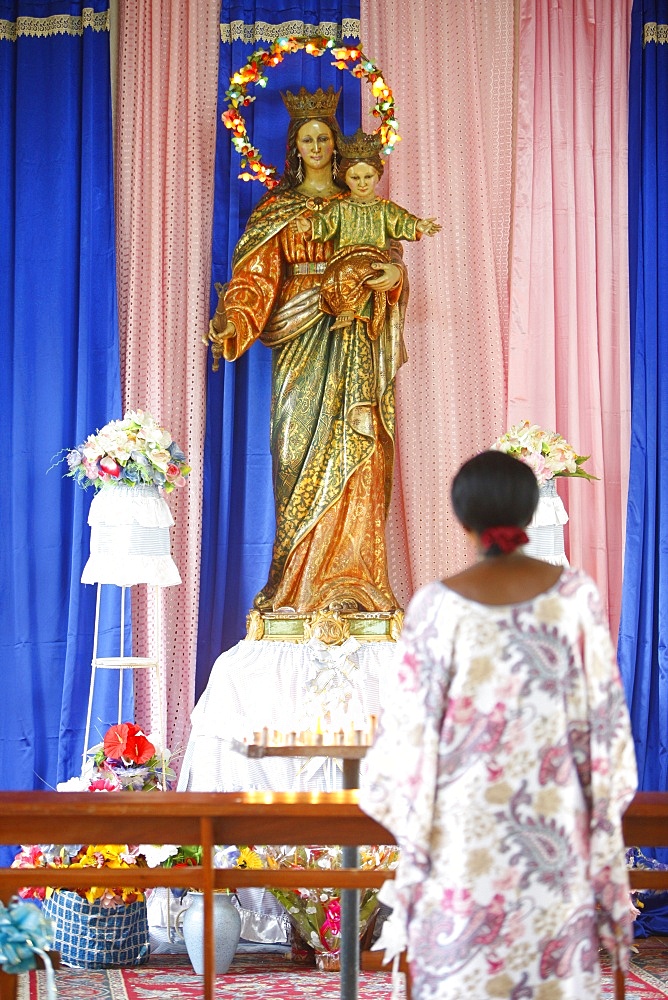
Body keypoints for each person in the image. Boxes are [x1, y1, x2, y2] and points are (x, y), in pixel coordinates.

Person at [359, 450, 637, 1000]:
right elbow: (603, 725)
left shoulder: (436, 607)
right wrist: (597, 818)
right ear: (531, 510)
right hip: (554, 832)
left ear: (463, 519)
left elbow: (409, 741)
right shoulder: (576, 596)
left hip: (464, 841)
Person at [207, 88, 407, 614]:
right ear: (294, 148)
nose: (316, 146)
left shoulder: (358, 204)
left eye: (324, 137)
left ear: (336, 146)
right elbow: (255, 277)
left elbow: (389, 255)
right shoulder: (278, 209)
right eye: (307, 139)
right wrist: (234, 315)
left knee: (356, 447)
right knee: (292, 449)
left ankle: (350, 578)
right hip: (298, 331)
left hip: (350, 330)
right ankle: (294, 581)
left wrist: (393, 275)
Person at [297, 128, 440, 337]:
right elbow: (324, 224)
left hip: (373, 260)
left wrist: (419, 226)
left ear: (377, 176)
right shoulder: (339, 207)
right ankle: (346, 308)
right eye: (355, 178)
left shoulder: (384, 208)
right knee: (332, 278)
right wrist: (309, 227)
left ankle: (349, 309)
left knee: (351, 271)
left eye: (368, 176)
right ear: (346, 178)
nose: (362, 183)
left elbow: (402, 221)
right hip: (344, 259)